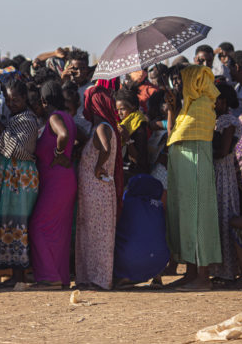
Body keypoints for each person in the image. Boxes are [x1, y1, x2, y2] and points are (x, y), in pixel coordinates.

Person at [165, 65, 221, 291]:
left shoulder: (201, 106)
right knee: (186, 221)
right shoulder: (186, 107)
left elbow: (178, 137)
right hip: (184, 175)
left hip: (196, 174)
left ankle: (202, 276)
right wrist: (171, 109)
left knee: (198, 221)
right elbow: (172, 136)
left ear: (194, 80)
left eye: (181, 79)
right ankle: (190, 273)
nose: (177, 84)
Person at [0, 79, 39, 288]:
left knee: (18, 224)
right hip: (9, 179)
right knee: (6, 222)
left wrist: (0, 125)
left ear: (25, 98)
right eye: (8, 100)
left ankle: (20, 276)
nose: (11, 103)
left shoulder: (28, 120)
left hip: (20, 180)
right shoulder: (13, 118)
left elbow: (18, 149)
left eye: (15, 99)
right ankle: (11, 274)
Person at [28, 81, 78, 288]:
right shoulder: (69, 117)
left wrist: (59, 154)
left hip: (56, 180)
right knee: (58, 231)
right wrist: (68, 156)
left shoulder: (54, 117)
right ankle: (58, 277)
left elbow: (64, 135)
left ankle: (49, 277)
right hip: (63, 178)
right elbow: (78, 138)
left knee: (37, 225)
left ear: (44, 101)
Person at [75, 85, 119, 290]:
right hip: (95, 192)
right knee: (92, 234)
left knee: (98, 236)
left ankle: (99, 279)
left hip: (97, 191)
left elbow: (106, 147)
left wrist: (100, 165)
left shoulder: (102, 127)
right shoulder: (102, 126)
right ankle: (90, 277)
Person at [113, 175, 170, 287]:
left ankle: (124, 277)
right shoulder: (159, 206)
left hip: (131, 259)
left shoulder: (128, 203)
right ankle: (157, 276)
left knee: (116, 239)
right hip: (160, 259)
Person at [210, 82, 242, 282]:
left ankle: (228, 271)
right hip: (218, 172)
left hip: (224, 173)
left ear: (222, 101)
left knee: (224, 218)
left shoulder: (228, 121)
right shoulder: (217, 120)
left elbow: (223, 151)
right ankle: (219, 270)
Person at [115, 88, 149, 177]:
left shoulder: (139, 125)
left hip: (137, 175)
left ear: (133, 107)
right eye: (117, 110)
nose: (119, 113)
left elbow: (138, 159)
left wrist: (127, 138)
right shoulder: (124, 124)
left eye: (122, 109)